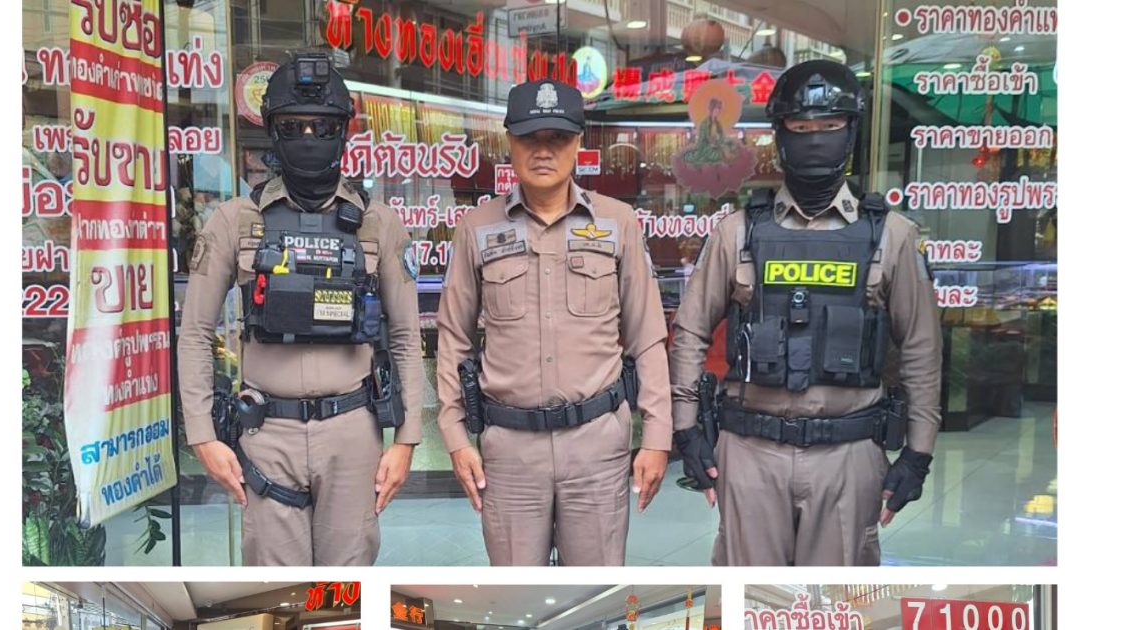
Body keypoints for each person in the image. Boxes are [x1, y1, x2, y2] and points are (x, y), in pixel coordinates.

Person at [668, 60, 942, 566]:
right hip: (751, 451)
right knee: (745, 589)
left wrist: (918, 454)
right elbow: (689, 333)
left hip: (849, 452)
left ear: (851, 132)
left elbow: (921, 350)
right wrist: (686, 431)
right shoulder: (737, 231)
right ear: (780, 134)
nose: (815, 139)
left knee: (834, 592)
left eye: (829, 125)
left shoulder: (893, 235)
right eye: (800, 127)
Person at [176, 53, 423, 566]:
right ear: (272, 131)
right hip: (267, 433)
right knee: (276, 583)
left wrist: (407, 439)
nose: (309, 137)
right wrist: (201, 435)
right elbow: (196, 332)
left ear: (343, 132)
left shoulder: (378, 223)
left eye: (323, 127)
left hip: (352, 432)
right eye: (293, 126)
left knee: (349, 584)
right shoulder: (235, 220)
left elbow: (404, 336)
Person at [435, 79, 672, 566]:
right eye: (530, 138)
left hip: (597, 449)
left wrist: (657, 436)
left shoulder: (617, 222)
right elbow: (454, 338)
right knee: (516, 586)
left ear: (578, 142)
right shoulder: (477, 227)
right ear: (509, 141)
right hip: (510, 453)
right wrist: (456, 438)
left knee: (595, 579)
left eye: (558, 138)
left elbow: (647, 336)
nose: (543, 151)